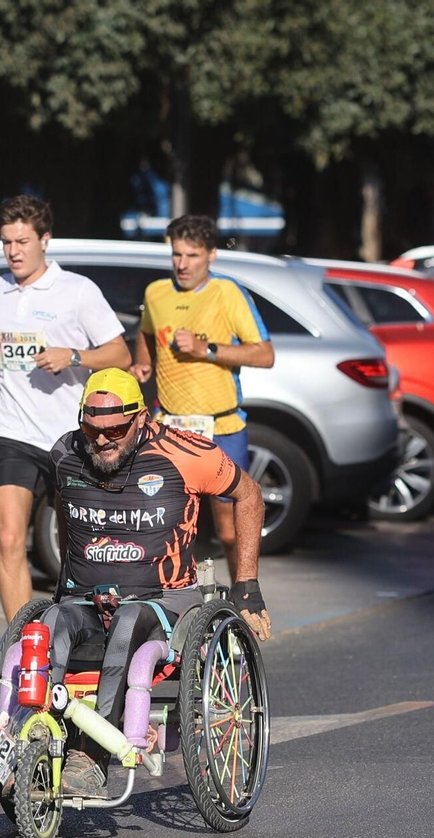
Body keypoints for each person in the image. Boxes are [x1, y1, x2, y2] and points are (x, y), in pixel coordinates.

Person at [41, 368, 273, 796]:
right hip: (87, 598)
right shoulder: (64, 453)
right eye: (92, 429)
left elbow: (249, 494)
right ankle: (37, 742)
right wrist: (66, 578)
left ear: (142, 418)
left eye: (115, 429)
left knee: (130, 622)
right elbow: (64, 506)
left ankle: (91, 758)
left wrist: (247, 587)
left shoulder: (187, 453)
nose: (103, 440)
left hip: (164, 601)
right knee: (50, 625)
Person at [0, 195, 131, 621]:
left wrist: (73, 357)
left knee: (75, 545)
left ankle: (77, 631)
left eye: (22, 241)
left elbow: (120, 354)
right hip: (12, 431)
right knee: (7, 539)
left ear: (45, 239)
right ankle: (24, 649)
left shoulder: (77, 291)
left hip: (70, 436)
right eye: (6, 242)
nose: (13, 251)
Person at [132, 215, 274, 581]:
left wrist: (206, 349)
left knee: (229, 529)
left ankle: (243, 596)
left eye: (192, 255)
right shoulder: (155, 292)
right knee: (164, 527)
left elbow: (264, 354)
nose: (182, 264)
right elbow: (146, 333)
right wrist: (143, 364)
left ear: (211, 254)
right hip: (170, 427)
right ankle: (173, 604)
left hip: (221, 424)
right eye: (177, 254)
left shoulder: (227, 293)